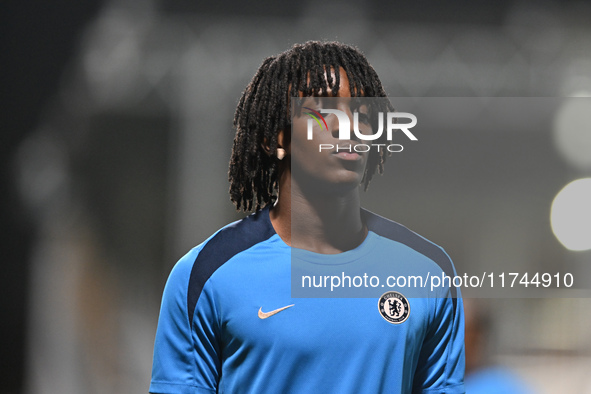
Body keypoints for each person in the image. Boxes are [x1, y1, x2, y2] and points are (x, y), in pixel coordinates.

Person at [149, 41, 465, 394]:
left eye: (361, 114)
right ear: (275, 138)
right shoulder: (206, 275)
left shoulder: (428, 272)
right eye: (325, 112)